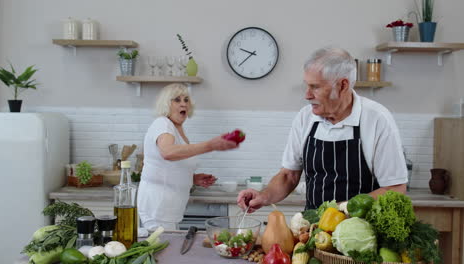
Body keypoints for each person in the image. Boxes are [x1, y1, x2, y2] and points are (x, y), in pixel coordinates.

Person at [237, 47, 408, 212]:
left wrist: (342, 210)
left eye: (315, 87)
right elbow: (289, 175)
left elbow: (395, 188)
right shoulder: (305, 118)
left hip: (361, 234)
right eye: (307, 86)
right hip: (312, 232)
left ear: (342, 85)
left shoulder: (376, 119)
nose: (307, 95)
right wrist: (264, 196)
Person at [138, 83, 238, 230]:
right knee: (162, 251)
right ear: (166, 104)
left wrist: (193, 178)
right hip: (158, 208)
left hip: (168, 210)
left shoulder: (177, 129)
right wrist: (210, 145)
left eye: (186, 100)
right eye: (177, 100)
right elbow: (168, 152)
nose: (183, 104)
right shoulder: (163, 123)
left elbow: (170, 167)